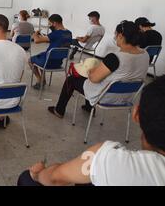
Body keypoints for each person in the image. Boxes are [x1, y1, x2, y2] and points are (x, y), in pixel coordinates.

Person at [18, 76, 165, 186]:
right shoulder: (144, 57)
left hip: (104, 94)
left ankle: (60, 109)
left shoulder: (108, 159)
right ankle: (88, 107)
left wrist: (37, 174)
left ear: (136, 114)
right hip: (122, 95)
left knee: (26, 179)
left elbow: (55, 178)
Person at [47, 21, 149, 118]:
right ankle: (88, 107)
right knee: (92, 78)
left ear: (121, 36)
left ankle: (59, 110)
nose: (115, 37)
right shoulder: (145, 54)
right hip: (127, 97)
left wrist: (90, 71)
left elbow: (94, 79)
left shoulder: (115, 58)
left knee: (72, 79)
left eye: (115, 35)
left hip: (106, 96)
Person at [29, 14, 72, 90]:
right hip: (58, 63)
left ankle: (40, 80)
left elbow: (36, 41)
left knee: (30, 60)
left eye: (50, 24)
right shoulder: (69, 33)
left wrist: (35, 34)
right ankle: (43, 80)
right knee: (42, 55)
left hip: (48, 63)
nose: (49, 26)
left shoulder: (55, 34)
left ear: (54, 23)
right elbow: (57, 40)